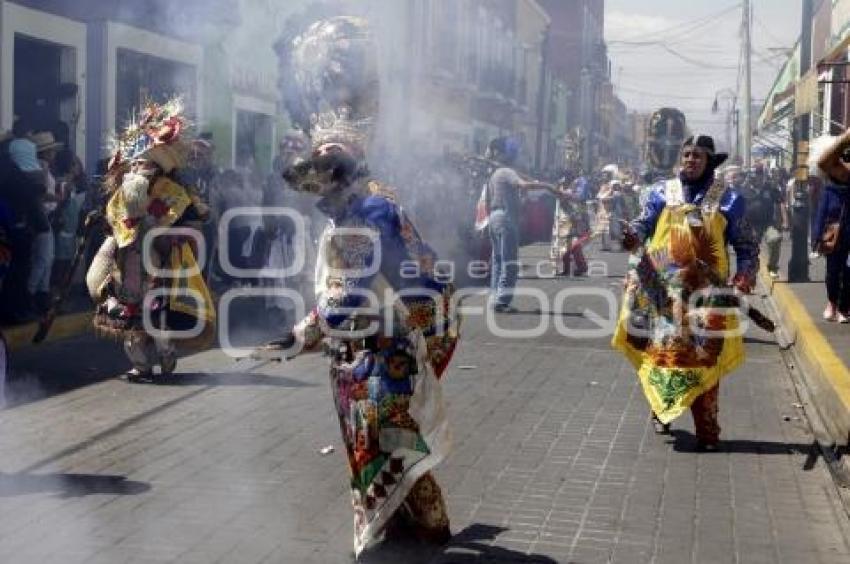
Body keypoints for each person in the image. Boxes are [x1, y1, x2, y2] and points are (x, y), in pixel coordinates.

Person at [276, 16, 459, 556]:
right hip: (355, 354)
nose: (319, 182)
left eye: (328, 170)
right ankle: (400, 525)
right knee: (371, 442)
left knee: (392, 440)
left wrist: (302, 332)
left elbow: (349, 294)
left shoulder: (370, 210)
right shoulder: (348, 212)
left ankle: (431, 531)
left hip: (382, 351)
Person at [612, 134, 759, 451]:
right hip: (663, 291)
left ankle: (707, 430)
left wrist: (744, 277)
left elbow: (746, 246)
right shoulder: (662, 193)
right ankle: (662, 410)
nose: (690, 160)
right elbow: (643, 224)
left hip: (708, 294)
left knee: (704, 359)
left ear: (709, 162)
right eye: (686, 154)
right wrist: (632, 235)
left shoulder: (728, 199)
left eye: (698, 156)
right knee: (662, 355)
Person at [85, 97, 215, 380]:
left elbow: (186, 212)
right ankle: (140, 364)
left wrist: (162, 222)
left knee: (156, 310)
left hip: (158, 252)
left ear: (156, 166)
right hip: (125, 252)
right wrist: (103, 219)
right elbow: (114, 213)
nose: (137, 169)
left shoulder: (172, 189)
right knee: (124, 306)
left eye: (143, 164)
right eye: (134, 165)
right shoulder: (123, 190)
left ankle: (166, 352)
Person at [485, 136, 555, 312]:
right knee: (509, 262)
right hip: (505, 218)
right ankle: (502, 301)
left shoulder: (493, 174)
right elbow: (523, 185)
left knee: (498, 261)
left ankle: (495, 298)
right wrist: (544, 185)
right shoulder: (507, 172)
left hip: (494, 218)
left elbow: (489, 200)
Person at [809, 133, 850, 322]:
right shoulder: (829, 191)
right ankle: (832, 302)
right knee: (833, 272)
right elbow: (821, 215)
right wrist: (816, 238)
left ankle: (844, 308)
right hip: (834, 237)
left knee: (849, 272)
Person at [740, 163, 788, 279]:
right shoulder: (744, 189)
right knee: (750, 249)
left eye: (759, 174)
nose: (757, 176)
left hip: (768, 223)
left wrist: (785, 220)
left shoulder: (770, 188)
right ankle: (749, 272)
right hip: (750, 225)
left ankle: (772, 267)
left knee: (775, 238)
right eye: (755, 174)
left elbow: (780, 202)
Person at [551, 173, 590, 277]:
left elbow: (577, 201)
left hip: (573, 221)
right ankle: (567, 268)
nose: (564, 184)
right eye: (563, 183)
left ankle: (581, 266)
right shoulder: (564, 192)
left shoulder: (574, 192)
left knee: (573, 245)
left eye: (566, 182)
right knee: (564, 246)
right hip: (563, 222)